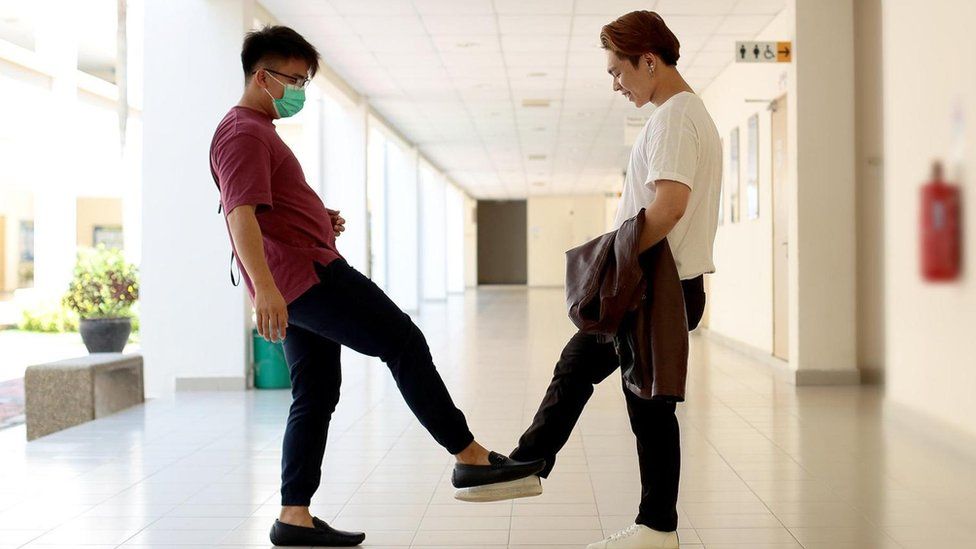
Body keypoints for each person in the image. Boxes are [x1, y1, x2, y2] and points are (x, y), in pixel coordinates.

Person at [209, 25, 544, 548]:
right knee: (402, 340)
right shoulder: (244, 132)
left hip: (296, 274)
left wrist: (315, 216)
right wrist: (265, 289)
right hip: (305, 277)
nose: (299, 90)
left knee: (316, 393)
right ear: (261, 77)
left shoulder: (256, 131)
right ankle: (470, 457)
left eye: (304, 81)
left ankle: (294, 516)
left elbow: (267, 208)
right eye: (293, 79)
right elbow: (240, 213)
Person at [496, 11, 722, 549]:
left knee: (634, 398)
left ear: (649, 60)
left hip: (653, 286)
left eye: (618, 71)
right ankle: (538, 468)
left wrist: (611, 263)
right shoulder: (689, 114)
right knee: (612, 385)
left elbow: (668, 208)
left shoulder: (673, 118)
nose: (616, 84)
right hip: (663, 285)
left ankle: (648, 525)